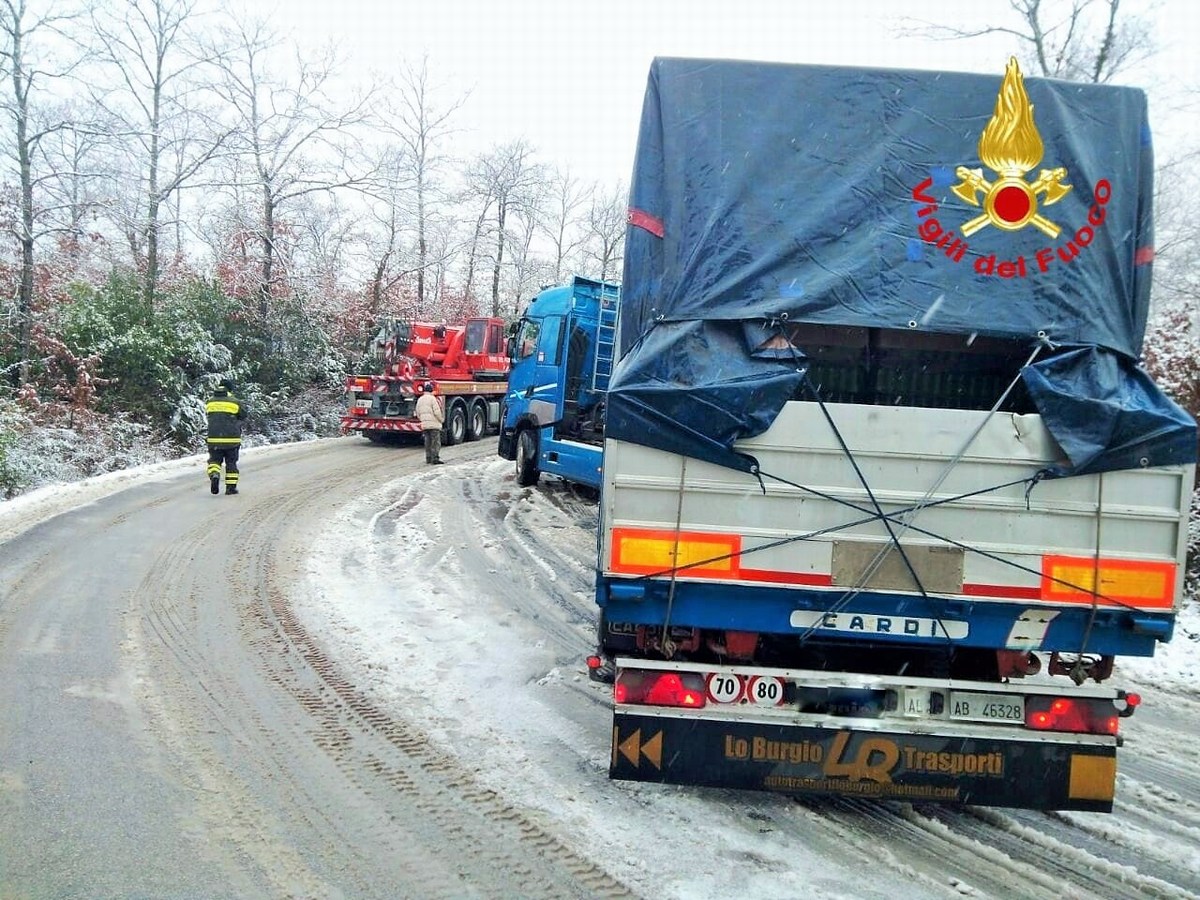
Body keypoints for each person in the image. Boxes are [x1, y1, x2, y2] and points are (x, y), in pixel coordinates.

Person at [206, 378, 246, 494]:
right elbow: (243, 415)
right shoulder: (235, 402)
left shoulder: (210, 402)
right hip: (232, 439)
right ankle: (230, 488)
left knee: (214, 461)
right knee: (231, 462)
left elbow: (209, 415)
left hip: (213, 438)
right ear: (230, 389)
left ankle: (214, 474)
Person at [414, 381, 445, 464]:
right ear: (431, 391)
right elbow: (437, 412)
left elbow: (417, 412)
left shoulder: (420, 399)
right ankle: (435, 458)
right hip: (434, 425)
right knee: (435, 442)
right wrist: (441, 420)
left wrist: (422, 420)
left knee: (427, 441)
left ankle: (428, 458)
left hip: (425, 424)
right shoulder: (432, 399)